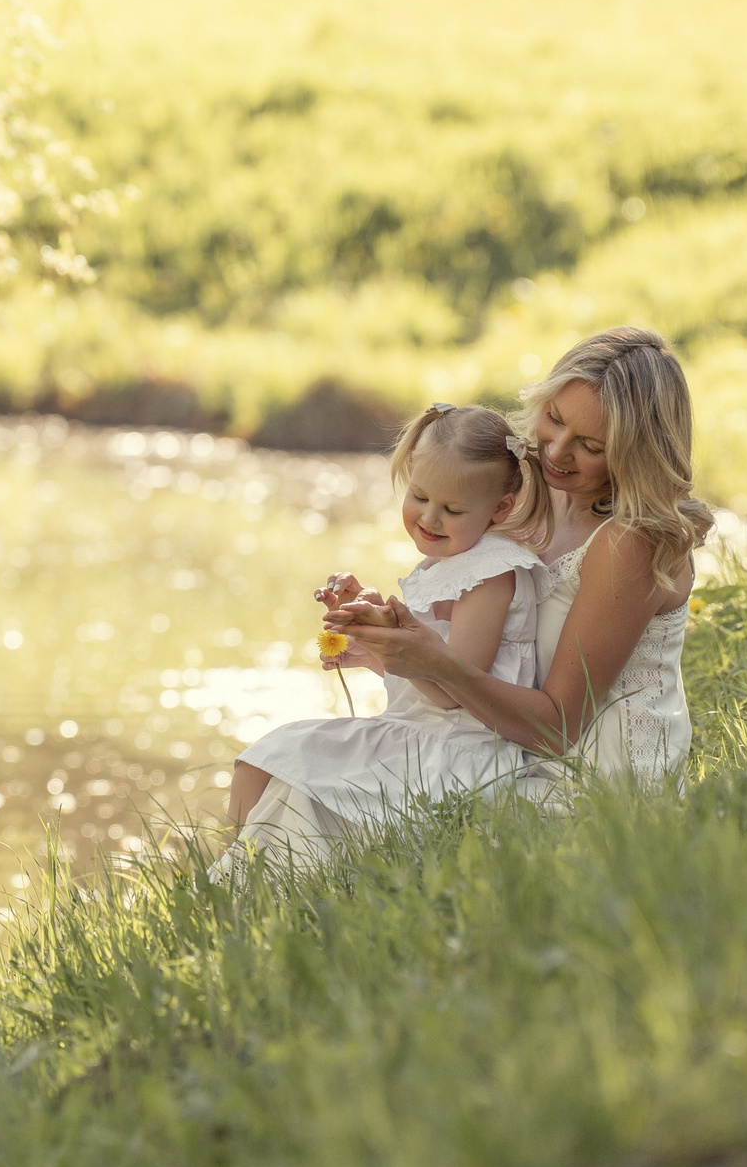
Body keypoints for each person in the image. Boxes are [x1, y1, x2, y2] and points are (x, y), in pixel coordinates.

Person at [225, 328, 710, 867]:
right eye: (554, 419)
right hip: (507, 752)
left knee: (313, 796)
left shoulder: (628, 542)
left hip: (589, 791)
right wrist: (388, 647)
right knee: (284, 767)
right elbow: (491, 655)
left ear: (633, 453)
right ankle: (241, 925)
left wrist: (437, 662)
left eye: (590, 447)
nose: (556, 451)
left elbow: (556, 728)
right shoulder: (530, 498)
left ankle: (268, 929)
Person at [227, 403, 550, 832]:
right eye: (419, 497)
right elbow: (424, 684)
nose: (430, 518)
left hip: (457, 755)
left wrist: (392, 637)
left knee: (285, 758)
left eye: (452, 510)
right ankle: (230, 877)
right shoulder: (447, 563)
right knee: (262, 763)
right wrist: (373, 648)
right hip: (420, 734)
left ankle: (237, 879)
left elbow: (453, 691)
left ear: (500, 508)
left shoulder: (489, 576)